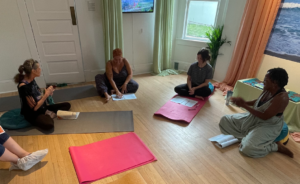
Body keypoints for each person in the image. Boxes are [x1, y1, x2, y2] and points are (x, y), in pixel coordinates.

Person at [219, 68, 293, 158]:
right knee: (224, 120)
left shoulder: (282, 98)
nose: (263, 82)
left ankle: (274, 146)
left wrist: (244, 105)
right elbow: (258, 101)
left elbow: (265, 116)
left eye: (266, 80)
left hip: (267, 124)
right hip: (254, 118)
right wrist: (245, 102)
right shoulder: (268, 89)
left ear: (274, 83)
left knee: (247, 149)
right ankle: (249, 138)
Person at [14, 59, 71, 131]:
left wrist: (47, 92)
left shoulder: (32, 79)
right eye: (39, 68)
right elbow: (34, 108)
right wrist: (46, 95)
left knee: (67, 105)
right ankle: (48, 114)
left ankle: (48, 113)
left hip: (43, 107)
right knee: (49, 125)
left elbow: (38, 95)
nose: (40, 69)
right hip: (33, 113)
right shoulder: (23, 87)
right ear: (33, 71)